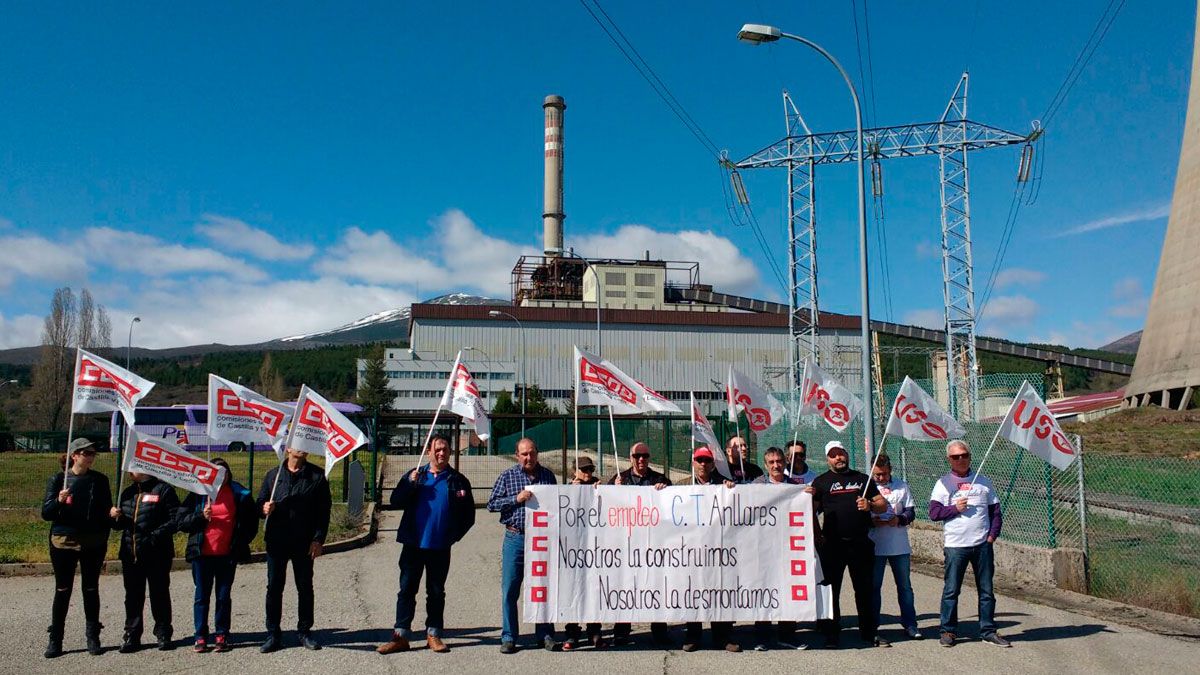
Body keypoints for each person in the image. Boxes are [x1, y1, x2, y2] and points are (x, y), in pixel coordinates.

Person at [377, 434, 476, 655]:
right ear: (428, 450)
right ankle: (400, 635)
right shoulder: (416, 475)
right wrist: (410, 484)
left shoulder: (457, 480)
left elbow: (468, 515)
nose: (442, 453)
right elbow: (395, 501)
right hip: (413, 544)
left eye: (445, 449)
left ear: (450, 452)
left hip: (440, 546)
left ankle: (433, 634)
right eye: (437, 449)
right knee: (406, 590)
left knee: (436, 591)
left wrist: (452, 536)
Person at [930, 440, 1010, 648]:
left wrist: (992, 536)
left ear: (970, 456)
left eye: (964, 455)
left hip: (982, 545)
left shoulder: (983, 481)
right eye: (956, 457)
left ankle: (987, 630)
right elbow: (934, 513)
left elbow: (996, 512)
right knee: (951, 590)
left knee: (986, 591)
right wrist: (954, 508)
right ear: (949, 459)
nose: (961, 459)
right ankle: (948, 631)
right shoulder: (943, 483)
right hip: (956, 546)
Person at [810, 440, 889, 649]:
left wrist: (870, 504)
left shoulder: (863, 479)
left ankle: (869, 633)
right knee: (831, 591)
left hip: (861, 544)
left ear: (846, 454)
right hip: (833, 546)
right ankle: (831, 634)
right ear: (828, 458)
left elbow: (882, 505)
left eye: (841, 453)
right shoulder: (821, 482)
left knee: (864, 590)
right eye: (833, 455)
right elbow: (810, 512)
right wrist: (817, 535)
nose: (838, 458)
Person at [178, 457, 259, 653]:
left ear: (229, 474)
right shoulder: (199, 493)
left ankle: (222, 634)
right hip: (202, 555)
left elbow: (251, 521)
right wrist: (199, 517)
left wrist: (241, 542)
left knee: (223, 596)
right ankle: (200, 636)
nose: (220, 477)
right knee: (201, 596)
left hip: (226, 555)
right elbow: (181, 520)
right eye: (216, 473)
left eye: (224, 473)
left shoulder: (238, 493)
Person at [41, 438, 113, 658]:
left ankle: (93, 636)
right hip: (64, 540)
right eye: (85, 453)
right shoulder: (59, 480)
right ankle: (56, 639)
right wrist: (58, 501)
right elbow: (46, 513)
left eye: (92, 453)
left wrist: (112, 515)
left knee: (90, 589)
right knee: (63, 589)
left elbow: (105, 508)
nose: (90, 456)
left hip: (93, 540)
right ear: (74, 455)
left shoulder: (100, 480)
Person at [487, 438, 559, 654]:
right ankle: (509, 637)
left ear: (537, 453)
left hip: (541, 539)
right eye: (524, 454)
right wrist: (515, 499)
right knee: (510, 589)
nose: (528, 457)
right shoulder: (507, 477)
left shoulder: (548, 476)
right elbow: (492, 504)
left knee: (542, 589)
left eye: (532, 453)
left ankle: (545, 634)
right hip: (516, 538)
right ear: (517, 455)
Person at [258, 447, 332, 653]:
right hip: (276, 541)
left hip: (304, 542)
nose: (303, 448)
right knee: (274, 587)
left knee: (304, 587)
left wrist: (318, 539)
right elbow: (259, 503)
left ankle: (305, 631)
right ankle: (273, 634)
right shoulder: (274, 475)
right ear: (288, 448)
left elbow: (323, 511)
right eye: (298, 443)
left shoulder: (316, 477)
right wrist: (264, 509)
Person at [607, 441, 671, 647]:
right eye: (637, 456)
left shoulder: (659, 479)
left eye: (645, 455)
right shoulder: (619, 478)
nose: (641, 459)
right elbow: (602, 506)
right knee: (625, 586)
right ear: (630, 458)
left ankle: (659, 631)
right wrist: (612, 491)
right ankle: (622, 630)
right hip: (626, 544)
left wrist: (666, 490)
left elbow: (674, 505)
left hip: (654, 544)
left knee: (656, 587)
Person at [111, 468, 181, 652]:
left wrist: (154, 537)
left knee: (159, 594)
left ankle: (163, 633)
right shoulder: (127, 492)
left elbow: (175, 520)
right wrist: (115, 518)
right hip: (130, 553)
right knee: (133, 596)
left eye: (134, 467)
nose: (129, 471)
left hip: (157, 554)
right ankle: (132, 635)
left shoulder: (163, 490)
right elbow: (119, 526)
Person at [683, 446, 740, 653]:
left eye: (707, 460)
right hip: (689, 551)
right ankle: (693, 636)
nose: (703, 464)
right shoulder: (681, 486)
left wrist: (732, 489)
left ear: (713, 463)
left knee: (719, 590)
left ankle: (722, 636)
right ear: (693, 462)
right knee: (692, 592)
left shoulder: (723, 485)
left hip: (718, 550)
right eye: (699, 460)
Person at [750, 447, 805, 651]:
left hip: (788, 548)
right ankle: (762, 637)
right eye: (771, 462)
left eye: (779, 461)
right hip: (763, 549)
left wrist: (808, 495)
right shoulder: (757, 485)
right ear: (766, 465)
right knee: (763, 590)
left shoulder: (795, 486)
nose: (776, 465)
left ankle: (787, 635)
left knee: (787, 591)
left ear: (785, 462)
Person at [869, 453, 920, 640]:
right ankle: (873, 626)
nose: (880, 478)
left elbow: (911, 512)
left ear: (890, 470)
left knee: (905, 586)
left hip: (899, 545)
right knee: (874, 587)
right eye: (877, 475)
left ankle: (910, 624)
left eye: (883, 474)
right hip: (875, 545)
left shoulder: (901, 485)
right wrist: (871, 522)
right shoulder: (867, 486)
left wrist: (899, 519)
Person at [562, 455, 607, 651]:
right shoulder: (566, 488)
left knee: (594, 588)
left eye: (590, 469)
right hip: (573, 547)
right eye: (584, 470)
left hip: (596, 546)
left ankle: (594, 630)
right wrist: (573, 490)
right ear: (575, 471)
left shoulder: (599, 487)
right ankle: (572, 631)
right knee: (573, 588)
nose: (588, 473)